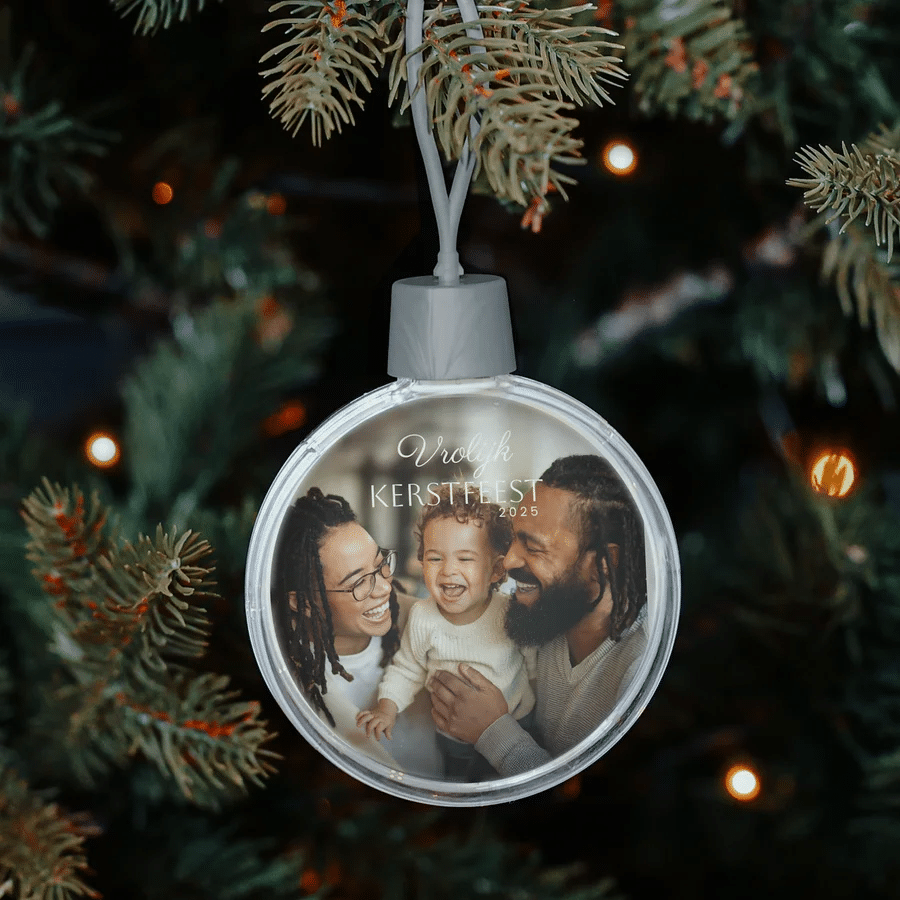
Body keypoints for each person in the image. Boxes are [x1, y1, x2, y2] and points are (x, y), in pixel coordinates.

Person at [429, 455, 648, 777]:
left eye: (533, 547)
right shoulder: (541, 618)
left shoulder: (640, 670)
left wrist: (492, 732)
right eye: (514, 537)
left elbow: (594, 810)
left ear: (604, 565)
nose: (509, 560)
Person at [356, 485, 536, 781]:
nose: (448, 571)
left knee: (511, 790)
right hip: (451, 738)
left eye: (465, 559)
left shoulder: (509, 613)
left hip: (517, 723)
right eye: (435, 558)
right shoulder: (423, 616)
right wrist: (386, 709)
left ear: (496, 570)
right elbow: (407, 667)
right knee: (456, 787)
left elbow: (534, 666)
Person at [278, 487, 441, 777]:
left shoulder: (424, 623)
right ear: (301, 601)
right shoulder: (293, 684)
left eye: (381, 566)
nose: (383, 587)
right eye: (358, 583)